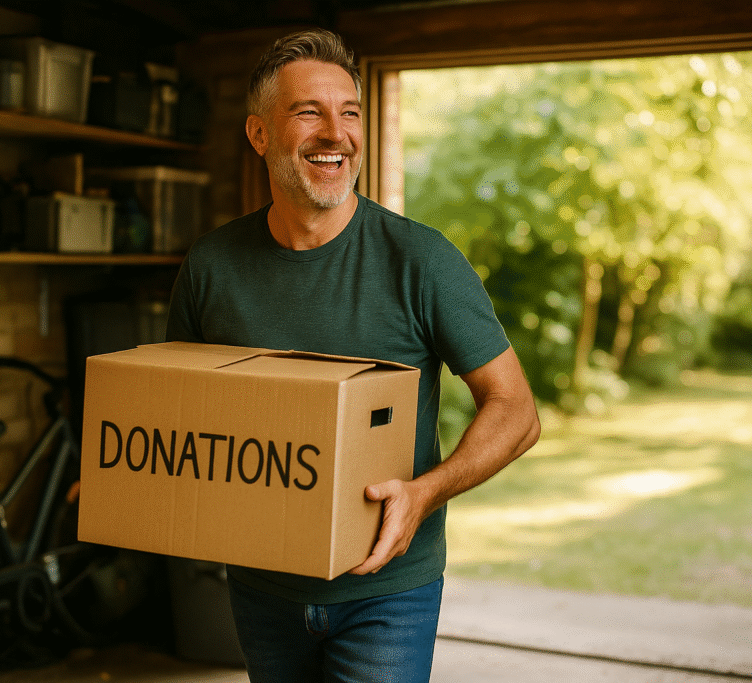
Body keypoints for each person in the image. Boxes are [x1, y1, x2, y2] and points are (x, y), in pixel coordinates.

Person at [165, 28, 540, 683]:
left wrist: (424, 494)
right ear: (258, 136)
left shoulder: (421, 261)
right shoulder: (211, 267)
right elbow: (179, 408)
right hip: (261, 588)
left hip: (387, 593)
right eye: (308, 111)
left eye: (350, 113)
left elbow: (517, 410)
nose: (335, 132)